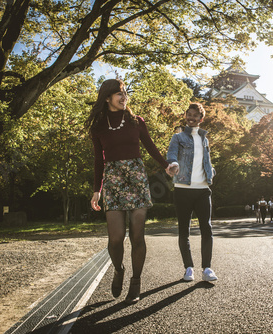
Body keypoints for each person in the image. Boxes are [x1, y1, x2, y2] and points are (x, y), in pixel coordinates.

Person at [86, 79, 169, 304]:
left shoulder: (136, 121)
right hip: (113, 180)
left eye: (125, 93)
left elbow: (151, 147)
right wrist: (97, 190)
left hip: (137, 178)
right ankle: (119, 269)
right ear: (107, 98)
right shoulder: (99, 126)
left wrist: (166, 166)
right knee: (115, 239)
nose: (124, 97)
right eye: (118, 94)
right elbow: (98, 160)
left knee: (137, 235)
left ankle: (136, 282)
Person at [166, 103, 218, 282]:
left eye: (195, 115)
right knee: (184, 230)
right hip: (182, 189)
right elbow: (171, 154)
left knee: (207, 228)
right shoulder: (178, 137)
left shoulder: (204, 139)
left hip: (203, 189)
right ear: (186, 116)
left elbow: (206, 160)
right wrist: (173, 164)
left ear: (201, 119)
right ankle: (188, 268)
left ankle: (207, 268)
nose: (191, 117)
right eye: (189, 114)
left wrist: (211, 171)